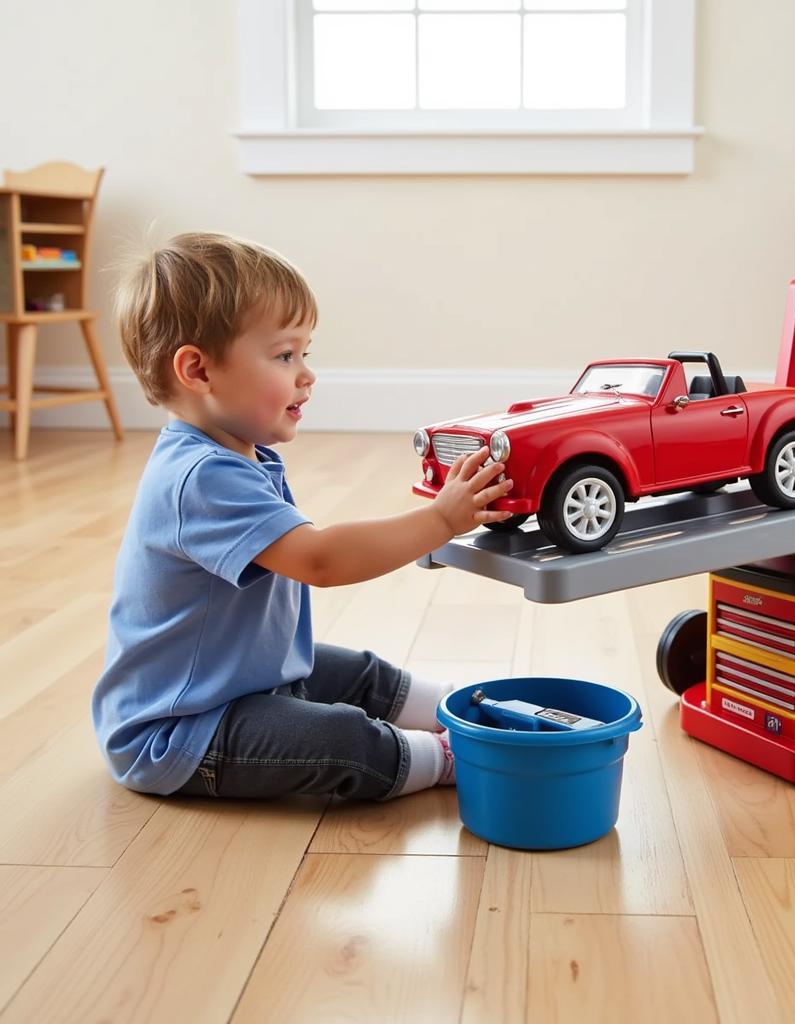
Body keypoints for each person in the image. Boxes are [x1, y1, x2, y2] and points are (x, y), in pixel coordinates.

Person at [92, 232, 514, 801]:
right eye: (284, 355)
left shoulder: (243, 455)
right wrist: (439, 522)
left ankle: (453, 707)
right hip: (181, 732)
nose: (307, 374)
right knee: (345, 738)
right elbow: (319, 558)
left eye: (304, 353)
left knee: (352, 670)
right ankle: (447, 756)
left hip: (237, 680)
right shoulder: (201, 478)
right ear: (198, 370)